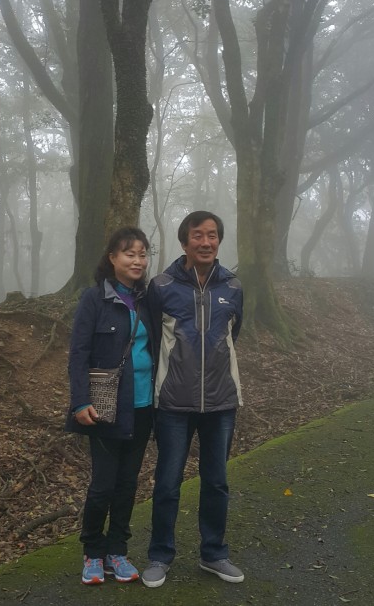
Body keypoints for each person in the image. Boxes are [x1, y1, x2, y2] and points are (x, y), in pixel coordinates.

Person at [141, 211, 244, 588]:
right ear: (184, 242)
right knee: (168, 482)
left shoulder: (233, 286)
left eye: (212, 235)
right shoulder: (162, 286)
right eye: (198, 235)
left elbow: (233, 334)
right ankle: (160, 555)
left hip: (221, 402)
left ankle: (213, 553)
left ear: (219, 241)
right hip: (173, 402)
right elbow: (154, 339)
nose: (206, 242)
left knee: (216, 482)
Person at [65, 227, 153, 586]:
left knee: (128, 484)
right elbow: (78, 353)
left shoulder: (148, 299)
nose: (137, 260)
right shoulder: (94, 299)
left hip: (144, 406)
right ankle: (92, 551)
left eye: (143, 254)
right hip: (105, 407)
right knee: (103, 484)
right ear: (112, 258)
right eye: (129, 253)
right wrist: (80, 401)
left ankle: (118, 551)